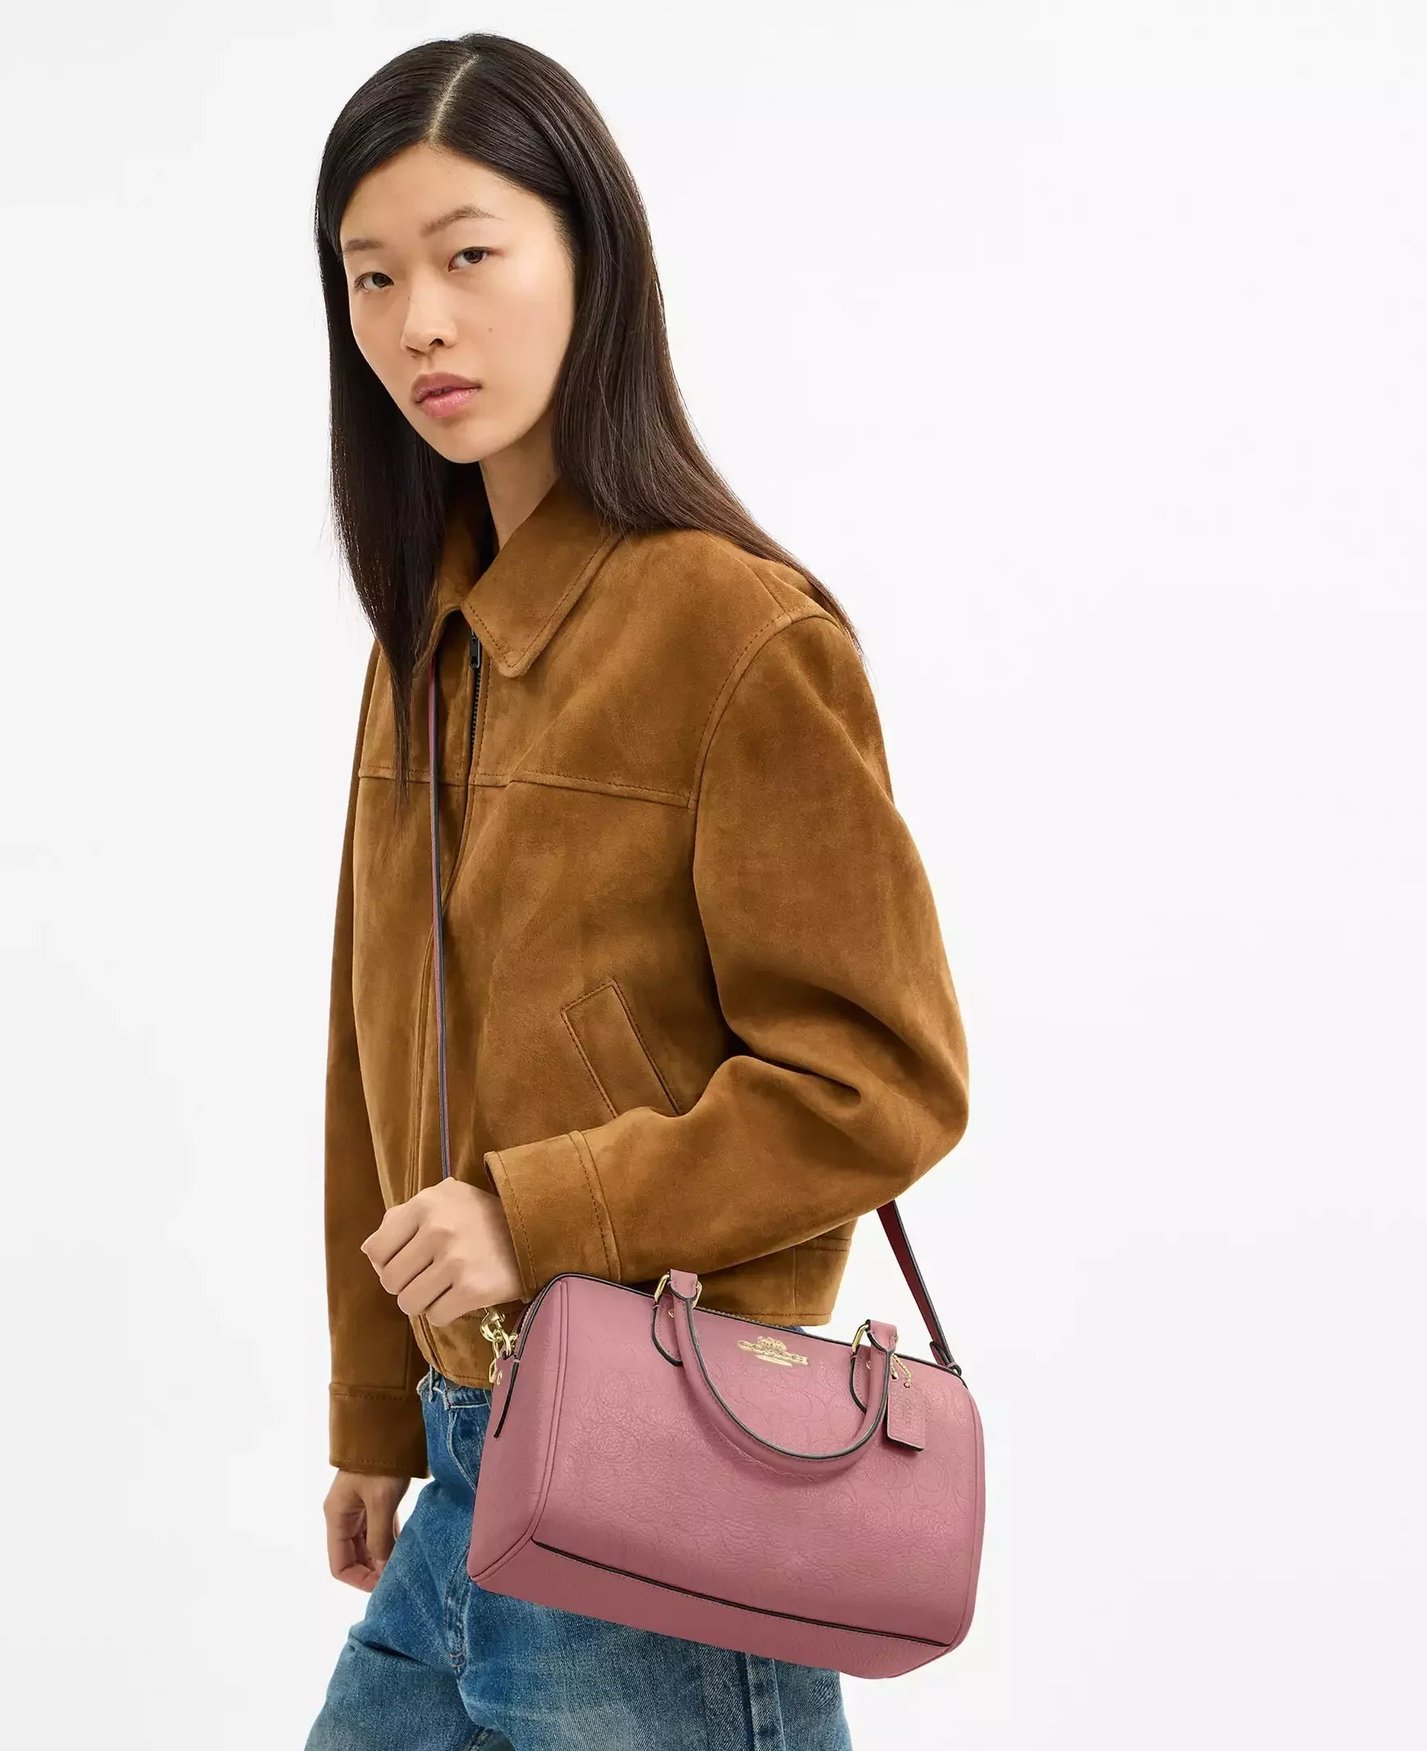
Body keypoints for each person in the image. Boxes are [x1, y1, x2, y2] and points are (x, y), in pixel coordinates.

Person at [305, 32, 969, 1751]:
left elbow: (884, 1083)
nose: (419, 322)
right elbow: (371, 1060)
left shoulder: (734, 633)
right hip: (467, 1477)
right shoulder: (422, 651)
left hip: (663, 1498)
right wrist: (374, 1409)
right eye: (372, 277)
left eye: (469, 254)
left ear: (592, 260)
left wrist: (535, 1215)